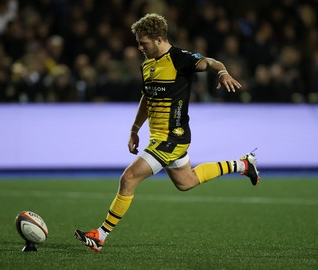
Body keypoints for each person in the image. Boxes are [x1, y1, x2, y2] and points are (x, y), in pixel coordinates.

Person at [74, 13, 260, 252]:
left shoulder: (180, 59)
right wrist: (134, 129)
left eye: (144, 43)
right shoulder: (148, 65)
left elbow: (211, 62)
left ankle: (100, 235)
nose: (140, 47)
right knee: (186, 182)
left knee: (128, 178)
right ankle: (243, 165)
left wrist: (223, 72)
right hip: (158, 137)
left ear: (159, 38)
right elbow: (146, 97)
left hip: (173, 137)